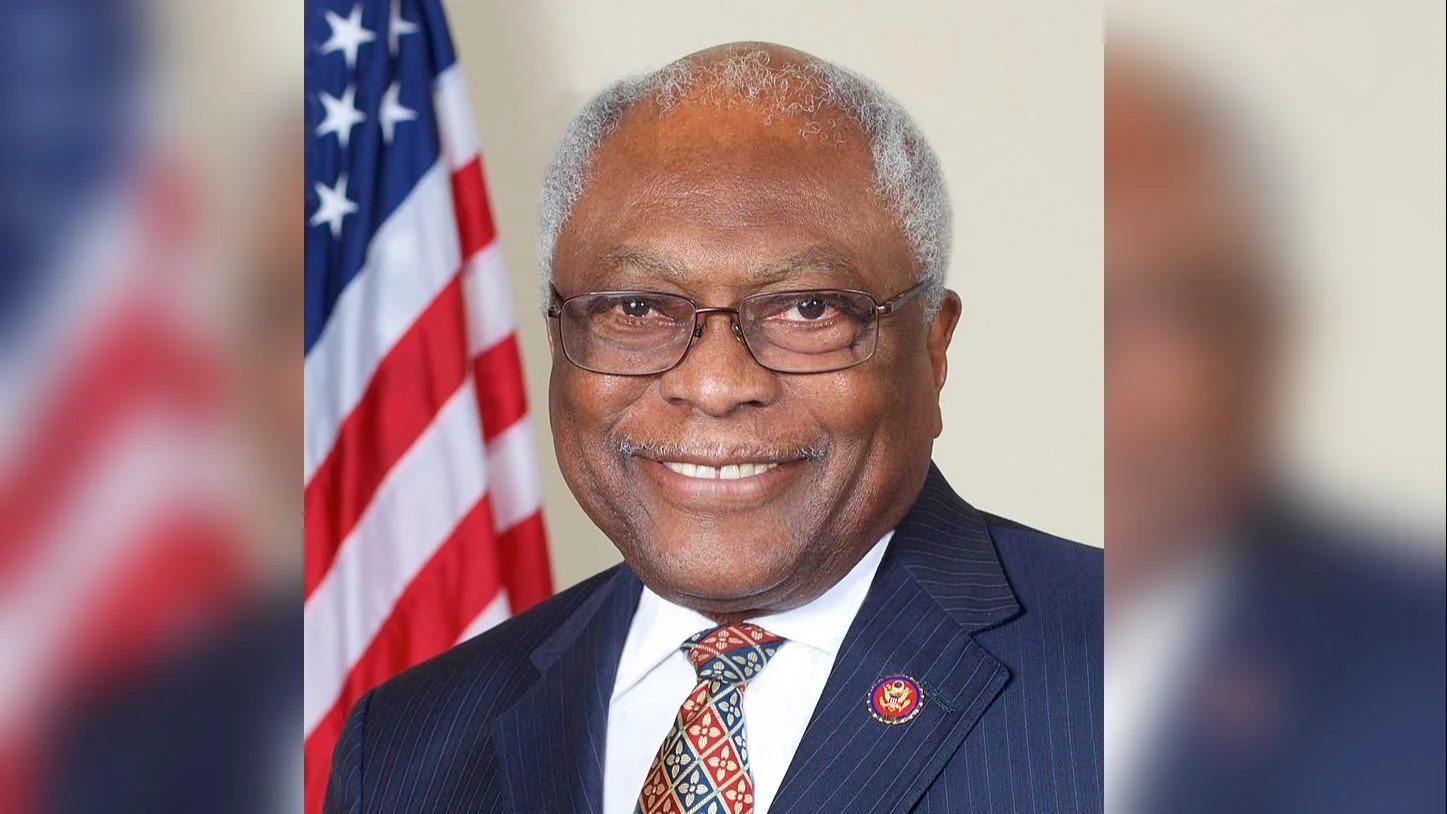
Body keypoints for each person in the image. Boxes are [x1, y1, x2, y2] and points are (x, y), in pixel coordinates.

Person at [324, 42, 1102, 814]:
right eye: (636, 308)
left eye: (808, 309)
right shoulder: (402, 749)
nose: (716, 385)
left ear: (931, 347)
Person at [1104, 52, 1444, 814]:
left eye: (1175, 309)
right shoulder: (940, 622)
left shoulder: (1421, 679)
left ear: (1268, 345)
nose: (1126, 376)